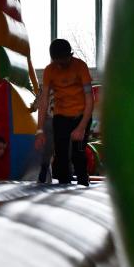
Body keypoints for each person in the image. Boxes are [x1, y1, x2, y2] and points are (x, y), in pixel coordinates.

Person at [35, 38, 94, 187]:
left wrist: (81, 127)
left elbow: (90, 99)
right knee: (61, 155)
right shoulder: (50, 70)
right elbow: (43, 101)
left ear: (70, 55)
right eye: (57, 63)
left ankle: (83, 182)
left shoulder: (80, 67)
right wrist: (40, 130)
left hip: (81, 115)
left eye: (63, 62)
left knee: (78, 153)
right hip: (61, 116)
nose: (60, 66)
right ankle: (63, 186)